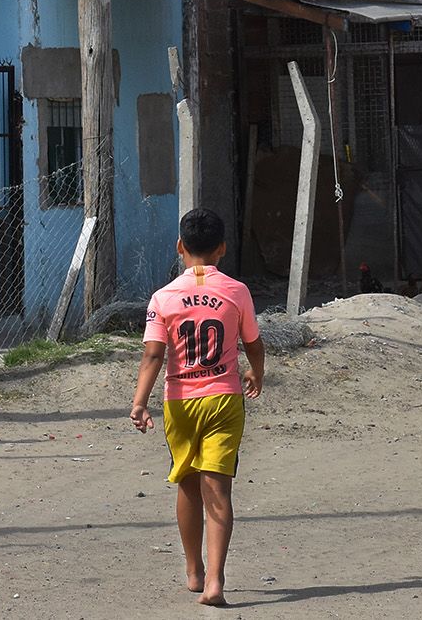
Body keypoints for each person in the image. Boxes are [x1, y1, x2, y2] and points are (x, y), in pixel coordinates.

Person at [130, 208, 265, 606]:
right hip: (224, 399)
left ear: (180, 247)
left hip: (180, 402)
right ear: (222, 248)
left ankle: (193, 571)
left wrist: (140, 402)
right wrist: (256, 373)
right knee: (219, 491)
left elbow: (153, 355)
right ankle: (216, 581)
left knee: (187, 483)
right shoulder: (237, 291)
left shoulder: (164, 296)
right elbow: (253, 343)